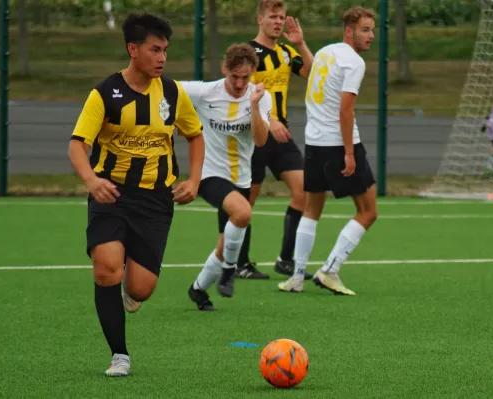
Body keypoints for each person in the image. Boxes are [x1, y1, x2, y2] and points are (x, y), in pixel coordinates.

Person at [68, 13, 204, 376]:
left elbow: (195, 135)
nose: (161, 57)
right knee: (106, 270)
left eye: (165, 51)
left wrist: (194, 180)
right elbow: (78, 146)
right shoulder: (105, 93)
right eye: (154, 49)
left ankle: (131, 292)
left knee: (141, 289)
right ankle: (119, 355)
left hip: (156, 200)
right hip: (110, 193)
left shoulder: (173, 93)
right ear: (133, 49)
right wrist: (91, 181)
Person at [278, 7, 378, 295]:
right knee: (368, 212)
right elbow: (346, 111)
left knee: (312, 209)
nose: (371, 35)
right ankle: (330, 270)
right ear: (349, 31)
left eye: (372, 30)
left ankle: (296, 277)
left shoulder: (325, 52)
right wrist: (349, 153)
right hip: (338, 144)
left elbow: (314, 77)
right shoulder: (354, 63)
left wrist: (300, 45)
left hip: (314, 143)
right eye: (365, 30)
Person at [180, 43, 271, 310]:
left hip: (241, 178)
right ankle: (230, 270)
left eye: (246, 77)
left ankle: (198, 289)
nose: (240, 83)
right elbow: (164, 87)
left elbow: (260, 139)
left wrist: (253, 106)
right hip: (209, 174)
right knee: (242, 213)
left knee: (224, 244)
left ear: (253, 72)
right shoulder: (205, 92)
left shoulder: (261, 96)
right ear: (224, 69)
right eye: (235, 76)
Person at [234, 0, 315, 280]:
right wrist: (270, 120)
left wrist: (301, 44)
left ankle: (286, 259)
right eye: (273, 17)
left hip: (281, 135)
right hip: (254, 135)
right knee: (246, 203)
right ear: (260, 19)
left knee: (304, 191)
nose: (278, 22)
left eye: (281, 17)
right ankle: (239, 263)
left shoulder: (285, 52)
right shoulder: (247, 53)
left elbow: (313, 73)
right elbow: (241, 89)